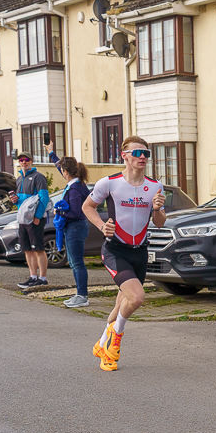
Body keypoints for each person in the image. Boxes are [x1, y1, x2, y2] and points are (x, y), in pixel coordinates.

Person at [83, 136, 166, 371]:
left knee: (122, 303)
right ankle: (115, 340)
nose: (142, 157)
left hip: (139, 252)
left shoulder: (155, 186)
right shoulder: (109, 183)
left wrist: (158, 209)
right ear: (124, 156)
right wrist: (101, 226)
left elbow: (160, 222)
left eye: (146, 153)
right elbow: (87, 206)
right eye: (137, 153)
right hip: (115, 250)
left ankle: (102, 344)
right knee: (137, 297)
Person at [49, 147, 91, 308]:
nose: (62, 172)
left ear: (66, 172)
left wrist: (58, 211)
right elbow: (62, 169)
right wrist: (52, 154)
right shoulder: (76, 183)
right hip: (75, 227)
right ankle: (80, 294)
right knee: (74, 262)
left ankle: (82, 296)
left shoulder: (74, 189)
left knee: (77, 263)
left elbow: (75, 212)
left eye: (62, 170)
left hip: (75, 227)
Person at [10, 151, 50, 290]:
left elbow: (44, 198)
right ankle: (33, 276)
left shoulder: (39, 177)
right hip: (23, 218)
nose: (24, 162)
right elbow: (22, 200)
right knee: (27, 249)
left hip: (34, 219)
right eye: (21, 160)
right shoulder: (19, 179)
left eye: (26, 159)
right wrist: (15, 200)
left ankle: (42, 278)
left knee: (38, 248)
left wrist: (37, 216)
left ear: (31, 161)